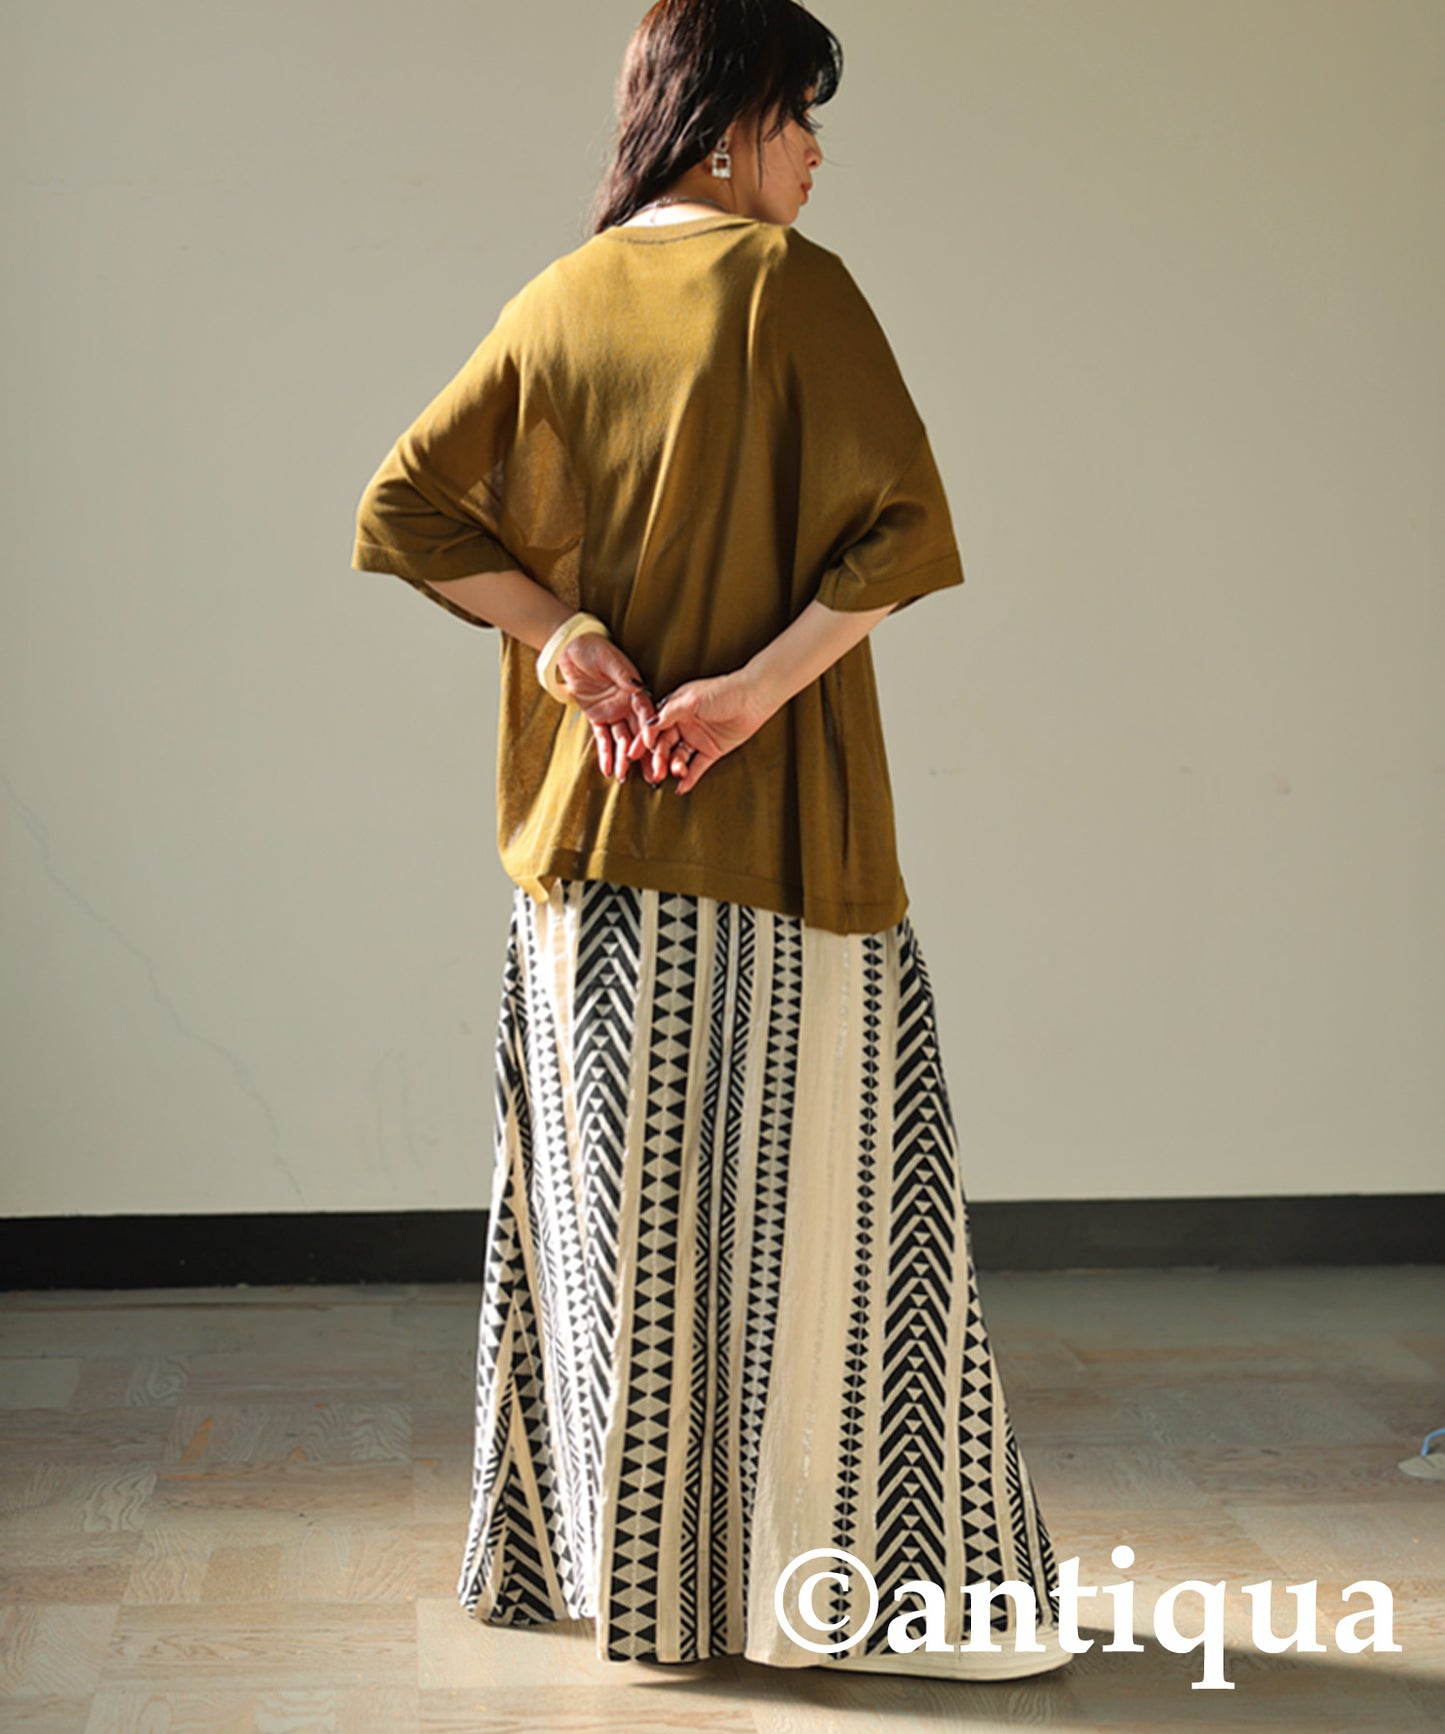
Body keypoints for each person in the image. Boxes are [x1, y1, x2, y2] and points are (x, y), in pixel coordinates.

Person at [351, 0, 1072, 1682]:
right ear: (730, 118)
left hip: (587, 862)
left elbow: (403, 506)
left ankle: (628, 1582)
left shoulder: (560, 294)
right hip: (769, 848)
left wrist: (562, 637)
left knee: (611, 1230)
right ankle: (860, 1593)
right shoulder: (785, 287)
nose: (814, 154)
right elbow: (904, 529)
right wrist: (749, 690)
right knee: (835, 1219)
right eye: (799, 115)